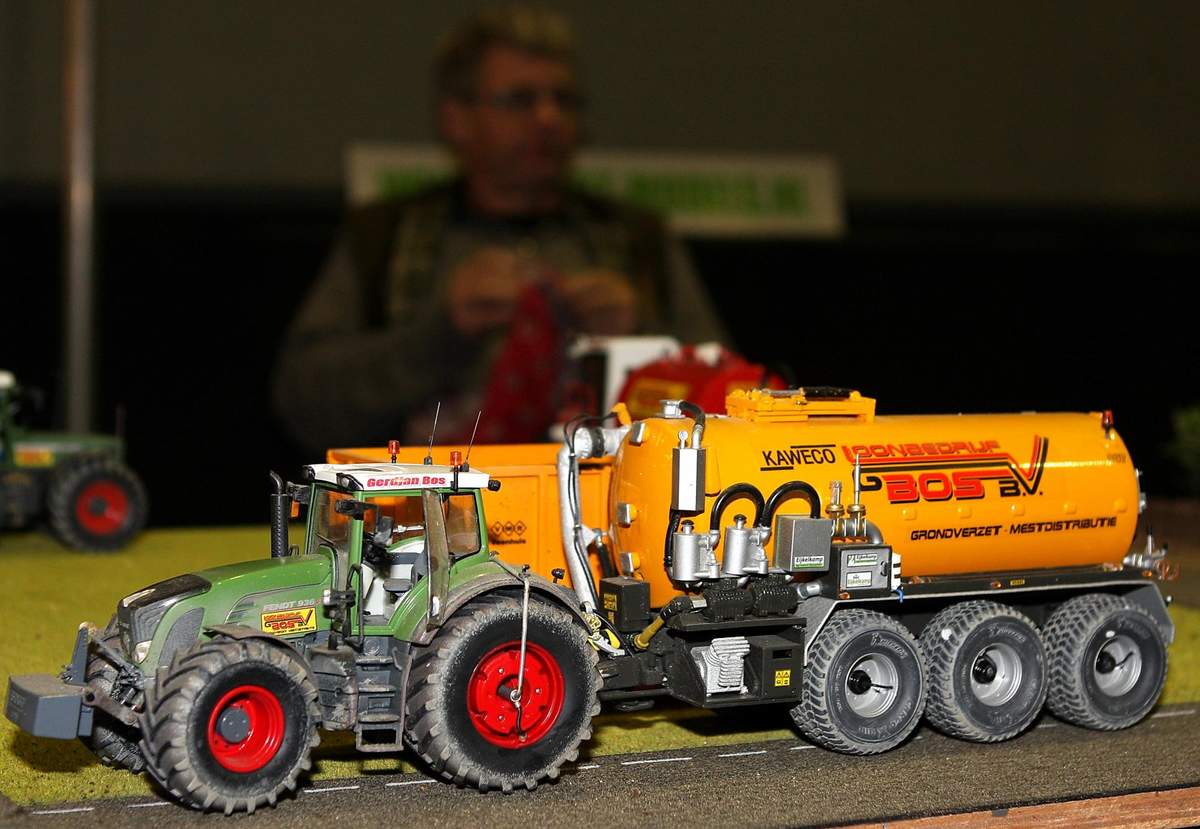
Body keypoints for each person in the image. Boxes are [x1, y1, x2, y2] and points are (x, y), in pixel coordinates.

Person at [273, 5, 726, 454]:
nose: (548, 119)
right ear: (457, 119)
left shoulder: (638, 239)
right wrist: (439, 336)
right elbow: (303, 401)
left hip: (603, 493)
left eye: (564, 100)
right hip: (432, 495)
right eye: (520, 100)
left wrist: (642, 343)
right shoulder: (383, 238)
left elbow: (731, 400)